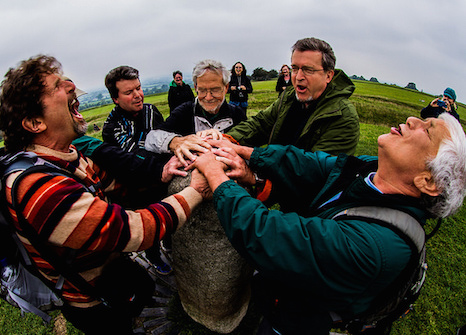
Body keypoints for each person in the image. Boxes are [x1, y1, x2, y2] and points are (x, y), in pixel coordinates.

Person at [189, 113, 466, 334]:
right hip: (293, 298)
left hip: (305, 323)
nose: (412, 121)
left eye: (427, 130)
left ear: (427, 181)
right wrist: (246, 154)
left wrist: (216, 175)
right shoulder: (374, 170)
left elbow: (267, 233)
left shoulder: (375, 246)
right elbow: (314, 164)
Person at [0, 55, 206, 334]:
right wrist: (196, 190)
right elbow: (131, 230)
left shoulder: (67, 157)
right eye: (58, 86)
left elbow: (118, 186)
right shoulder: (40, 190)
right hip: (89, 300)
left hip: (107, 275)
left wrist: (163, 172)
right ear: (34, 123)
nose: (72, 87)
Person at [227, 37, 360, 156]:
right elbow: (260, 124)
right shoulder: (288, 97)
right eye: (295, 69)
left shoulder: (342, 116)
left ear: (328, 75)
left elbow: (314, 168)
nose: (298, 77)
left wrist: (254, 159)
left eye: (308, 70)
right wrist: (225, 139)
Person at [102, 65, 172, 274]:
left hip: (163, 179)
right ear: (115, 98)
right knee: (148, 227)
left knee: (168, 216)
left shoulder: (151, 111)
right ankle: (153, 256)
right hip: (136, 190)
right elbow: (132, 159)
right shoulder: (112, 127)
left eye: (139, 88)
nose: (138, 95)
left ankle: (169, 242)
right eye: (128, 92)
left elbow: (165, 141)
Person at [145, 59, 247, 166]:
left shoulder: (237, 114)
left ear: (226, 87)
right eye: (202, 90)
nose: (208, 97)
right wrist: (175, 142)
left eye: (215, 90)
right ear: (195, 87)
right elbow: (151, 138)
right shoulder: (184, 112)